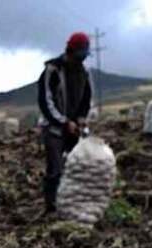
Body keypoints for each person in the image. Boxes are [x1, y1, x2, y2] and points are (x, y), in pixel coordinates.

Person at [37, 32, 93, 212]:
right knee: (55, 169)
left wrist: (81, 119)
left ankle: (73, 202)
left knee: (76, 164)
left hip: (73, 126)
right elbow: (45, 101)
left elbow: (86, 98)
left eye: (83, 57)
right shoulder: (52, 70)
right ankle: (52, 207)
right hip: (53, 127)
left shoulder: (83, 73)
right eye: (78, 57)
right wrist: (63, 122)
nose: (80, 61)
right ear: (70, 52)